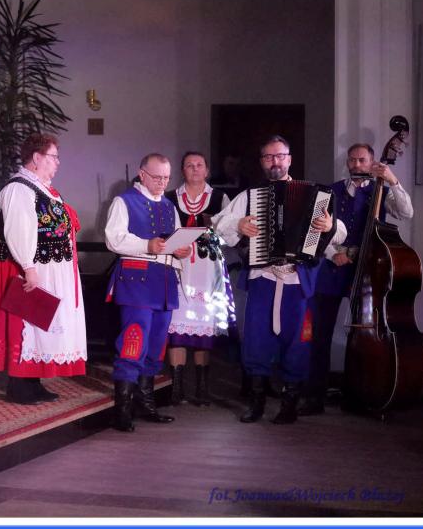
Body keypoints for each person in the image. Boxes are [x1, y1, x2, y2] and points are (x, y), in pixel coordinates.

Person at [212, 135, 346, 424]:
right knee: (257, 339)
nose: (275, 161)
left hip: (298, 280)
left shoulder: (316, 196)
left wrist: (329, 226)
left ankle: (289, 404)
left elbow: (340, 233)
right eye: (268, 156)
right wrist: (239, 224)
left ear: (289, 159)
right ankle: (257, 402)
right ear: (262, 161)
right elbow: (218, 224)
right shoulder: (250, 196)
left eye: (280, 156)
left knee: (298, 341)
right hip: (263, 276)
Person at [299, 143, 414, 415]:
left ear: (372, 162)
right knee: (319, 335)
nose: (356, 165)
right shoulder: (331, 191)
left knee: (361, 336)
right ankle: (314, 397)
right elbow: (315, 230)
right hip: (332, 269)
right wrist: (332, 253)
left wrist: (393, 181)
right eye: (352, 160)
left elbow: (406, 212)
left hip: (366, 271)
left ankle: (358, 394)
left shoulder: (380, 191)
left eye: (362, 160)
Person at [0, 133, 87, 405]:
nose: (58, 162)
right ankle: (19, 384)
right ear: (36, 158)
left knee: (42, 324)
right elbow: (19, 229)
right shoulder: (19, 188)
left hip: (50, 265)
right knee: (27, 324)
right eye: (53, 157)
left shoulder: (45, 189)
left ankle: (33, 380)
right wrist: (28, 266)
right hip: (28, 266)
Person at [105, 153, 192, 431]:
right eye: (157, 177)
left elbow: (174, 239)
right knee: (133, 342)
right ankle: (122, 410)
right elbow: (113, 239)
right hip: (137, 283)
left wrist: (181, 249)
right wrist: (146, 245)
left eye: (166, 178)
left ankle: (146, 403)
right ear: (142, 174)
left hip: (164, 282)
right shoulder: (124, 201)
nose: (162, 183)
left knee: (156, 345)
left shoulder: (168, 206)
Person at [163, 152, 233, 406]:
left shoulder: (220, 198)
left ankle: (202, 388)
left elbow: (229, 235)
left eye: (199, 165)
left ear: (207, 170)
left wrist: (215, 230)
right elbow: (163, 233)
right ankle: (177, 387)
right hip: (180, 268)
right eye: (189, 165)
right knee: (177, 330)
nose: (195, 169)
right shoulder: (170, 198)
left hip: (208, 270)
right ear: (182, 170)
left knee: (204, 329)